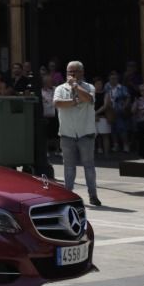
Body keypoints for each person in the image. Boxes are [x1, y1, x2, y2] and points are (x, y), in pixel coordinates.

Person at [53, 61, 101, 207]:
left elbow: (89, 99)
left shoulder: (89, 87)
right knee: (68, 166)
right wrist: (74, 102)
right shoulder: (60, 88)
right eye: (69, 71)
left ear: (82, 72)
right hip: (67, 133)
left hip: (85, 133)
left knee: (89, 166)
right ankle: (68, 196)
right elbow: (57, 103)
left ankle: (93, 195)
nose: (72, 74)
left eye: (75, 71)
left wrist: (75, 86)